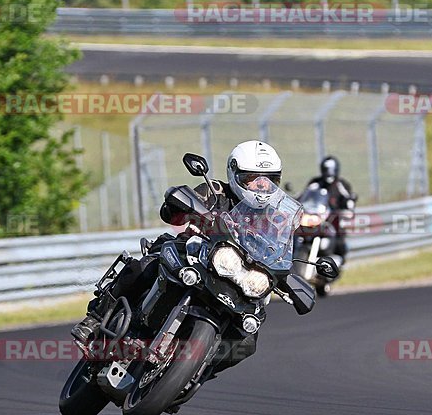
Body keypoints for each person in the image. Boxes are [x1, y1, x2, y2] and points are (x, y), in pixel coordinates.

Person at [71, 140, 284, 349]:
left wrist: (287, 273)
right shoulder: (215, 191)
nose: (262, 186)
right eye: (253, 178)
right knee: (144, 267)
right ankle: (95, 320)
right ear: (235, 174)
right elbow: (171, 213)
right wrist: (177, 207)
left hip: (234, 278)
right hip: (189, 254)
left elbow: (281, 253)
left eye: (269, 180)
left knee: (247, 339)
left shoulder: (274, 218)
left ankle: (198, 372)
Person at [303, 156, 356, 264]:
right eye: (326, 169)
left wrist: (348, 207)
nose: (328, 173)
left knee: (339, 235)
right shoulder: (315, 183)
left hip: (333, 219)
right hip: (316, 218)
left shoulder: (341, 184)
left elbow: (348, 199)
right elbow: (304, 196)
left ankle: (337, 259)